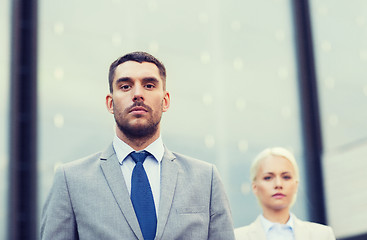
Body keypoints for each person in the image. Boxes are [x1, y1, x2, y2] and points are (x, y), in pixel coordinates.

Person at [40, 51, 235, 240]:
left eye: (149, 85)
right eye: (125, 86)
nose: (138, 94)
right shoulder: (70, 180)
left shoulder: (205, 179)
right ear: (110, 103)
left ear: (165, 101)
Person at [235, 147, 335, 240]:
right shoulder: (237, 237)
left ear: (296, 185)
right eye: (268, 177)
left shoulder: (322, 235)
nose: (278, 184)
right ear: (255, 187)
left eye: (286, 177)